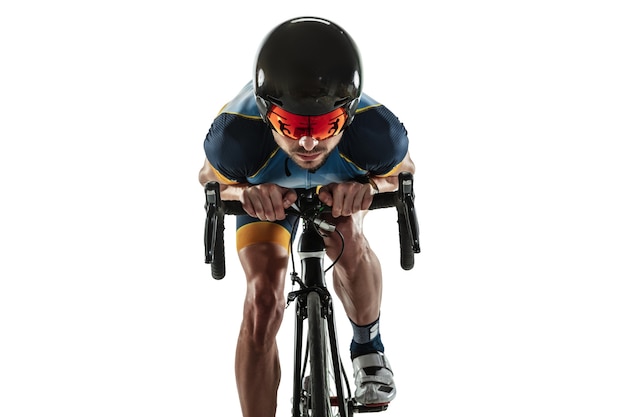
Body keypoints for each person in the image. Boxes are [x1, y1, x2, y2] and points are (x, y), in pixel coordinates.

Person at [198, 16, 415, 417]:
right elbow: (209, 180)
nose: (309, 142)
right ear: (266, 115)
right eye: (291, 126)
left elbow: (403, 173)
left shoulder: (377, 132)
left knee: (346, 236)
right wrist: (245, 192)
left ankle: (368, 350)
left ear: (348, 116)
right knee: (263, 298)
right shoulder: (235, 137)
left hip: (339, 191)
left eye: (328, 125)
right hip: (266, 193)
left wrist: (370, 188)